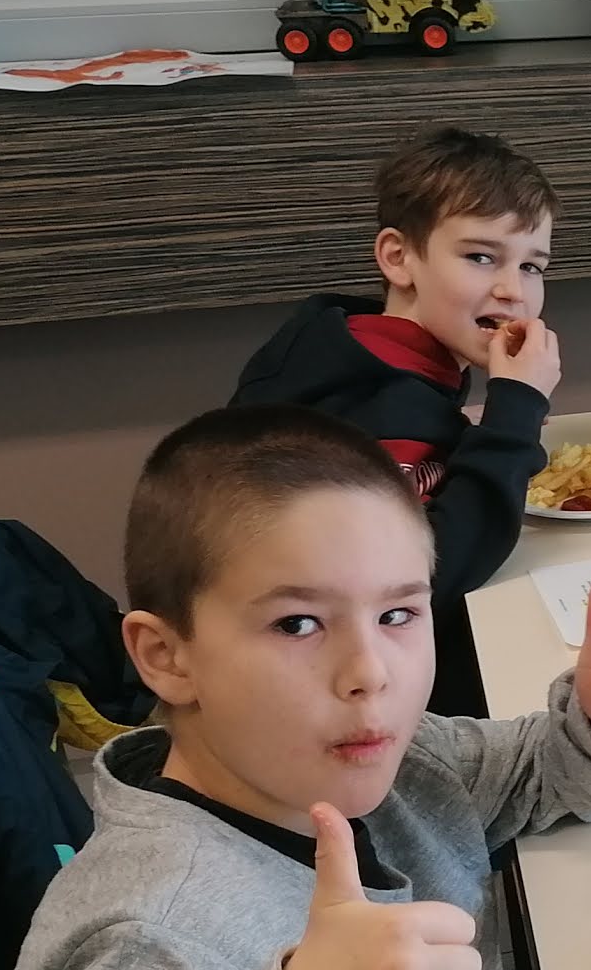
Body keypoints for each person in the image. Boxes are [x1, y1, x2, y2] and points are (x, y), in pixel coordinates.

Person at [0, 405, 591, 970]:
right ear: (166, 656)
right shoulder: (156, 936)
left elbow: (530, 773)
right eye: (298, 623)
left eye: (397, 614)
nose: (370, 672)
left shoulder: (380, 763)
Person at [235, 126, 564, 717]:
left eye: (533, 267)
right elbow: (431, 573)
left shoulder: (357, 345)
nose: (513, 290)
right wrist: (516, 408)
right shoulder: (378, 403)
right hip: (353, 701)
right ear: (398, 257)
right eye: (481, 257)